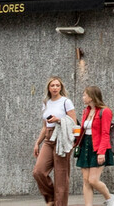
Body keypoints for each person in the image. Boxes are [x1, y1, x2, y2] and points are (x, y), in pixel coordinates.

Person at [35, 77, 78, 206]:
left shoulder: (66, 102)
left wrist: (58, 120)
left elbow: (73, 123)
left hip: (62, 139)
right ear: (49, 88)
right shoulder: (46, 103)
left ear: (61, 88)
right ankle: (51, 199)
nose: (55, 88)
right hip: (49, 138)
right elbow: (44, 127)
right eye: (52, 85)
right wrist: (37, 143)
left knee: (61, 177)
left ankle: (60, 204)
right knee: (38, 171)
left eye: (57, 85)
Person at [76, 86, 114, 206]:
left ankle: (110, 198)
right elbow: (83, 130)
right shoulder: (86, 111)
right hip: (85, 145)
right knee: (86, 180)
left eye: (85, 95)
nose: (83, 97)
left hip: (98, 146)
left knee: (93, 180)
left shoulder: (105, 111)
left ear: (92, 97)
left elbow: (105, 133)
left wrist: (102, 152)